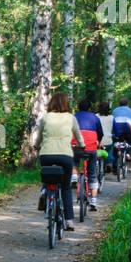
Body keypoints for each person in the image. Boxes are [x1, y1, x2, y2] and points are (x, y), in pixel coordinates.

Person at [33, 92, 83, 230]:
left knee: (47, 179)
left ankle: (44, 193)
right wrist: (82, 145)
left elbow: (39, 137)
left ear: (52, 103)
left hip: (46, 155)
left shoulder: (46, 117)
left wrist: (36, 146)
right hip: (65, 156)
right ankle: (69, 221)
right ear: (66, 103)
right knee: (66, 187)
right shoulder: (70, 118)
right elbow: (78, 135)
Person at [73, 97, 103, 208]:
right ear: (89, 108)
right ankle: (94, 201)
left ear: (78, 107)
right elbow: (100, 133)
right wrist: (99, 142)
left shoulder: (74, 117)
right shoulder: (95, 117)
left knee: (73, 161)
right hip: (91, 149)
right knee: (93, 173)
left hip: (76, 147)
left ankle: (74, 177)